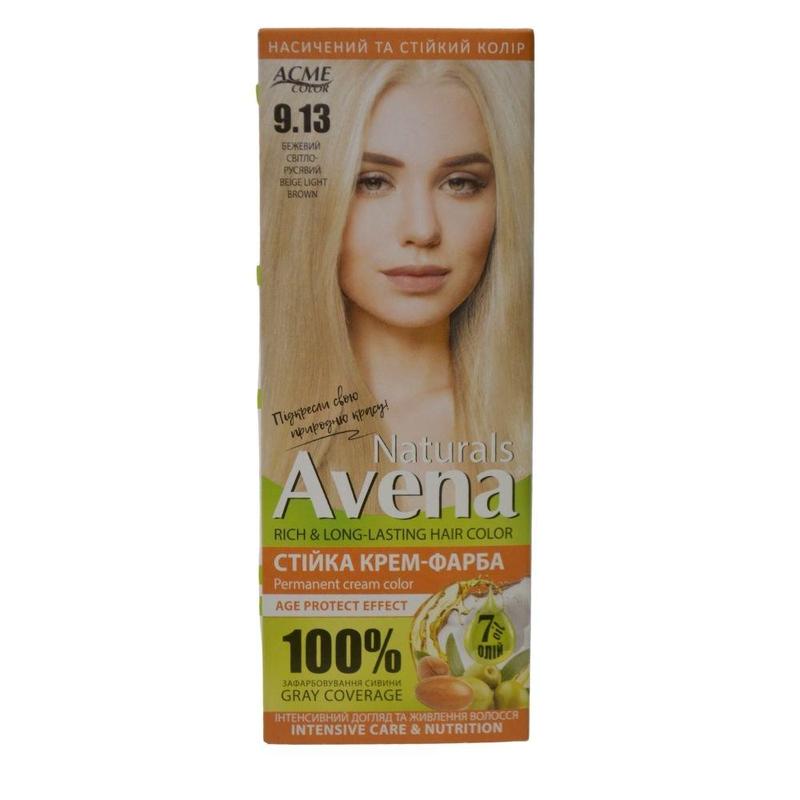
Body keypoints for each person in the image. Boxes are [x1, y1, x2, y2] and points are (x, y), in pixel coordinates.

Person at [259, 59, 532, 504]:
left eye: (460, 183)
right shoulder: (274, 433)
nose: (422, 230)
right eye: (372, 182)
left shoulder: (526, 425)